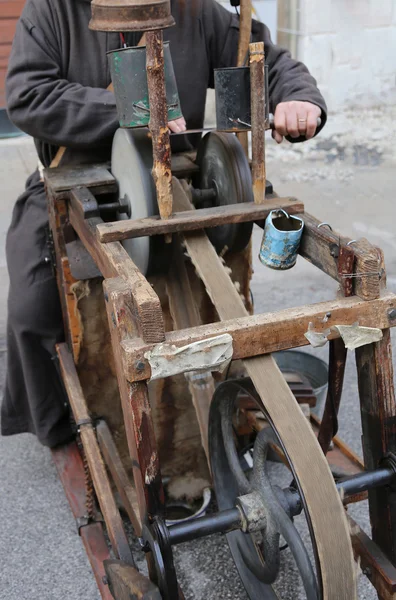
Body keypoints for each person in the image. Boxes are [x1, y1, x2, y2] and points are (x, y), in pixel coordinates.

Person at [2, 0, 326, 448]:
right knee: (32, 305)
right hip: (76, 171)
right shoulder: (52, 11)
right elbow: (28, 95)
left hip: (176, 172)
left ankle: (212, 394)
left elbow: (266, 59)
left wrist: (297, 96)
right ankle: (65, 426)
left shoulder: (196, 11)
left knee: (230, 260)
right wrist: (129, 109)